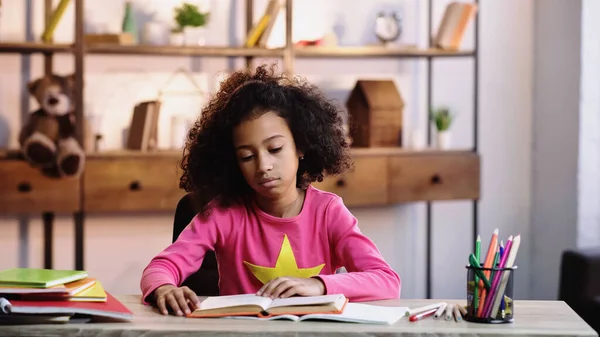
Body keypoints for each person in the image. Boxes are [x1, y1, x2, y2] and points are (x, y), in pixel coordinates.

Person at [140, 64, 401, 316]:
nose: (263, 166)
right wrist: (163, 287)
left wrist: (319, 285)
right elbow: (161, 267)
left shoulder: (328, 212)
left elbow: (387, 281)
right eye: (246, 156)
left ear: (300, 146)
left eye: (275, 149)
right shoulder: (223, 214)